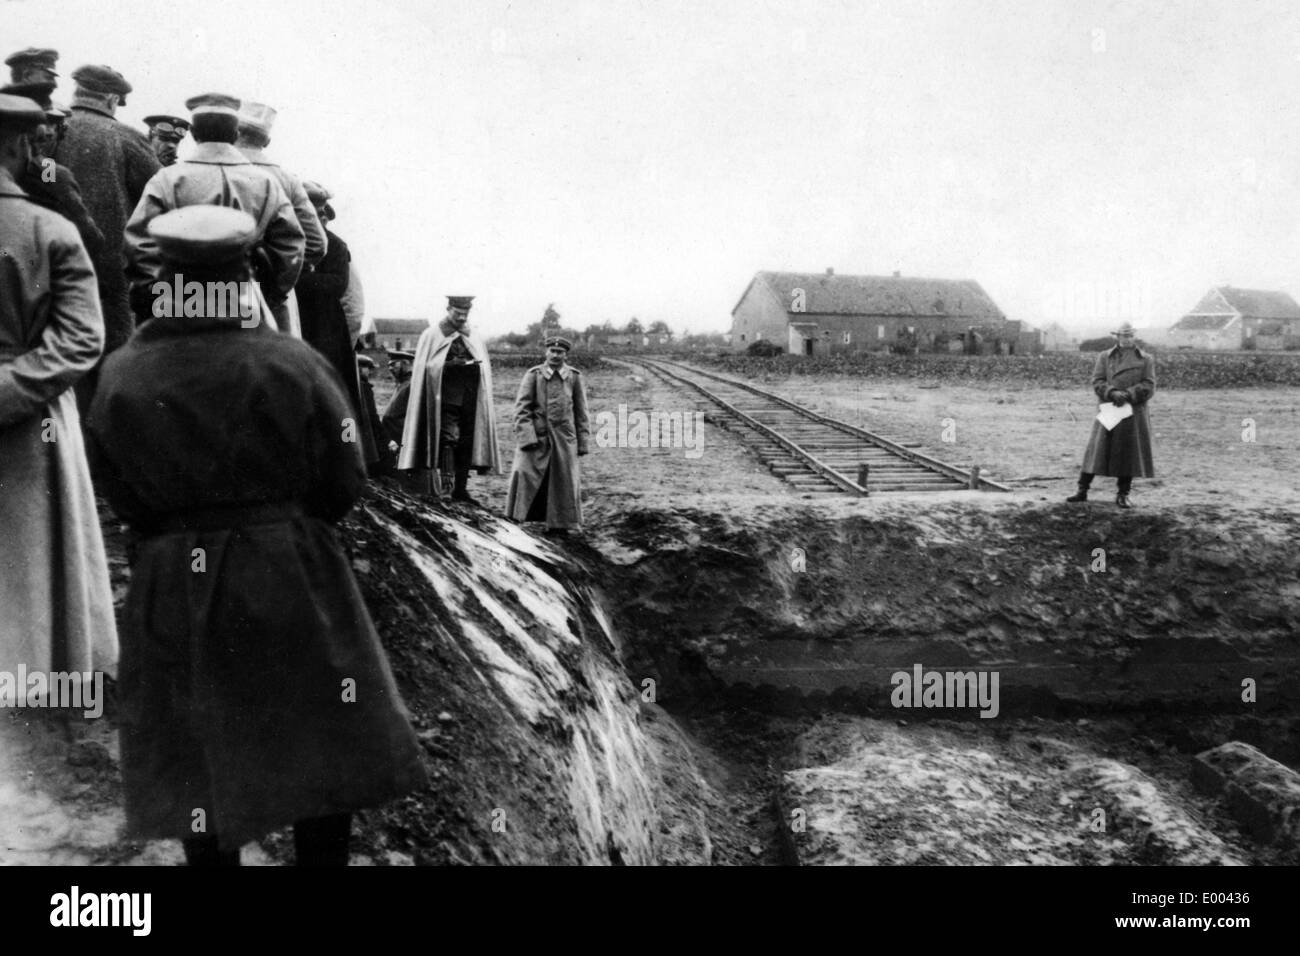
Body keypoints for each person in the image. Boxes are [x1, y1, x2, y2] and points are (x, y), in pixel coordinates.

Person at [84, 205, 426, 866]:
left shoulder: (122, 374)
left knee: (198, 753)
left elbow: (118, 490)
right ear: (244, 276)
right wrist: (289, 528)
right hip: (291, 570)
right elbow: (345, 475)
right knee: (321, 740)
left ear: (167, 280)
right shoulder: (293, 363)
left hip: (174, 579)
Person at [0, 92, 118, 681]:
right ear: (23, 147)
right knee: (36, 554)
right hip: (34, 421)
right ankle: (41, 669)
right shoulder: (52, 230)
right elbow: (80, 341)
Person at [123, 93, 305, 323]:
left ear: (194, 134)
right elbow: (290, 246)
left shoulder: (167, 180)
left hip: (178, 303)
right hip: (243, 301)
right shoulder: (266, 183)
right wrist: (270, 294)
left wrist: (160, 294)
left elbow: (138, 242)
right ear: (235, 134)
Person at [53, 64, 160, 408]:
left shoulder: (47, 128)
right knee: (110, 366)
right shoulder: (126, 138)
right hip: (108, 274)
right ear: (112, 99)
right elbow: (162, 196)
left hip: (46, 267)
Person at [295, 181, 379, 467]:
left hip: (324, 329)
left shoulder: (337, 246)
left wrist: (293, 279)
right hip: (296, 324)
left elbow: (336, 284)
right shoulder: (287, 239)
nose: (314, 220)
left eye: (319, 214)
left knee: (334, 392)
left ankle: (342, 455)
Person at [398, 296, 502, 503]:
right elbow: (426, 368)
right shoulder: (432, 334)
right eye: (458, 313)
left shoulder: (471, 335)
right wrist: (448, 365)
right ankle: (447, 488)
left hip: (469, 397)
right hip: (443, 398)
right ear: (448, 309)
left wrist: (474, 366)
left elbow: (484, 368)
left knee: (466, 442)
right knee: (448, 440)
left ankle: (460, 490)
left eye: (466, 314)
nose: (462, 318)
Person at [1, 81, 104, 258]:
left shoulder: (46, 166)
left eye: (54, 125)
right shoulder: (48, 171)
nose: (48, 133)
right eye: (45, 122)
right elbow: (90, 238)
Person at [1065, 321, 1155, 508]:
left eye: (1130, 335)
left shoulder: (1146, 359)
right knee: (1096, 451)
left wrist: (1129, 394)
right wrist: (1112, 392)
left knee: (1128, 455)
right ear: (1117, 337)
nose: (1127, 339)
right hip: (1110, 408)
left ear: (1134, 337)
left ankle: (1123, 494)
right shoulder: (1105, 357)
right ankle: (1082, 490)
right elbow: (1097, 380)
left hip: (1132, 411)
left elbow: (1149, 385)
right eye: (1123, 335)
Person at [505, 337, 590, 533]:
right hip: (537, 436)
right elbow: (521, 409)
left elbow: (581, 412)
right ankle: (517, 517)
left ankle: (560, 525)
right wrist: (527, 437)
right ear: (546, 352)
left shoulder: (574, 377)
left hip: (564, 439)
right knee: (524, 473)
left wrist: (582, 441)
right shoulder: (534, 375)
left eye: (559, 352)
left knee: (562, 480)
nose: (555, 355)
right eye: (552, 350)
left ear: (566, 355)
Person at [381, 349, 414, 450]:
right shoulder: (403, 384)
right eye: (389, 365)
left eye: (394, 364)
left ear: (405, 363)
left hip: (403, 442)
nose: (390, 368)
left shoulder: (411, 384)